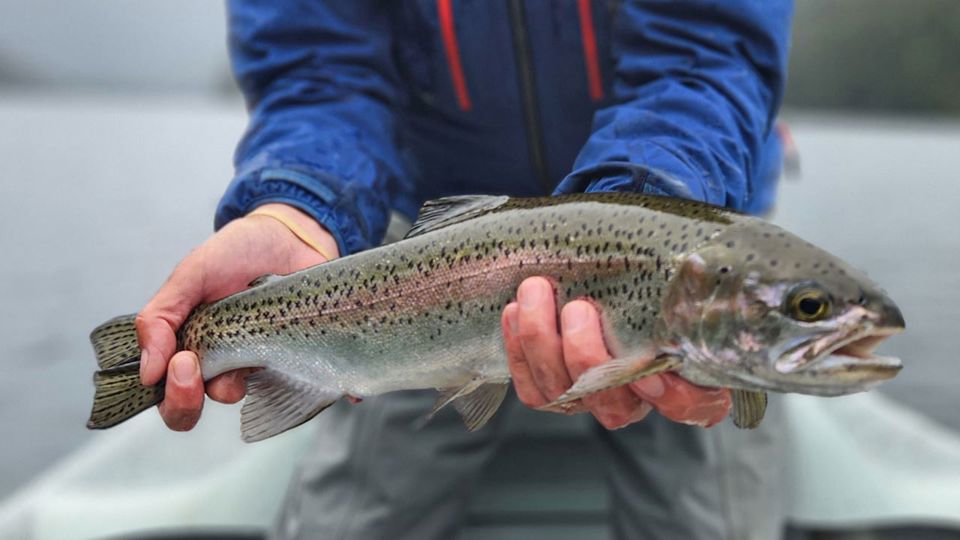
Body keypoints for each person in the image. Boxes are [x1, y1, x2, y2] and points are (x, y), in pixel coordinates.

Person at [136, 2, 793, 538]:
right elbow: (319, 71)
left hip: (685, 218)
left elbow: (710, 50)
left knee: (709, 518)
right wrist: (297, 209)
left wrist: (646, 205)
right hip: (426, 258)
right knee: (361, 519)